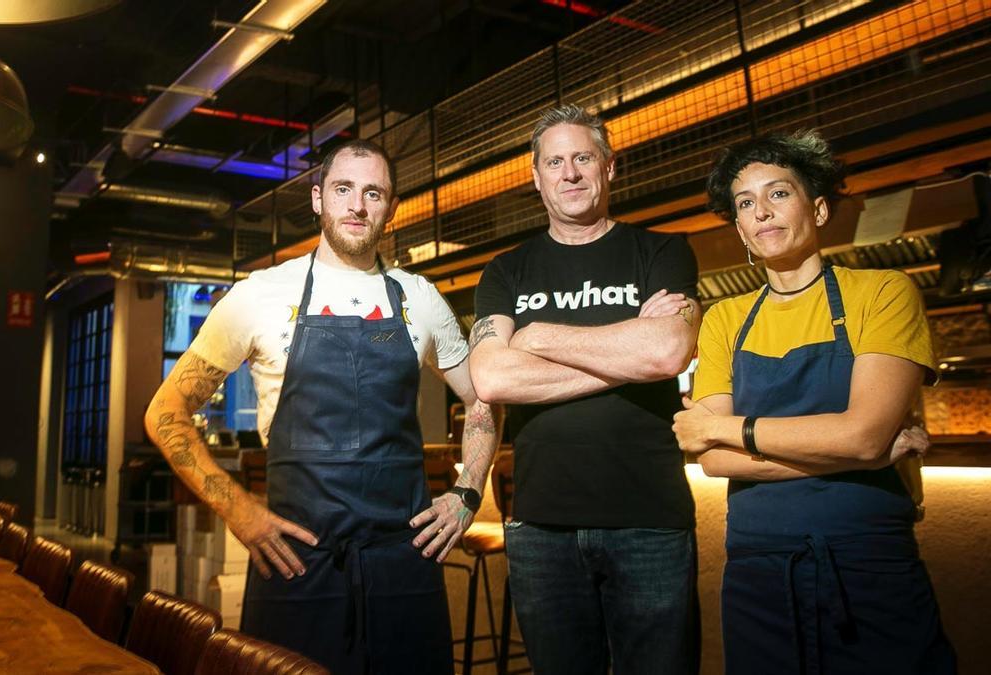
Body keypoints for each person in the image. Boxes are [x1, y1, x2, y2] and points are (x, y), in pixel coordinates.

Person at [144, 138, 501, 675]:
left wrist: (467, 492)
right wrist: (239, 512)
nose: (358, 205)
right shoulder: (259, 295)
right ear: (317, 199)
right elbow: (165, 413)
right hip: (295, 563)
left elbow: (484, 398)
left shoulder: (419, 297)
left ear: (391, 207)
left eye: (373, 192)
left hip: (404, 563)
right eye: (343, 189)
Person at [673, 129, 956, 673]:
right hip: (757, 567)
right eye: (746, 204)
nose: (762, 212)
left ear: (819, 209)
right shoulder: (726, 320)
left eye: (779, 193)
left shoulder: (883, 293)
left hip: (868, 560)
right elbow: (712, 460)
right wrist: (861, 455)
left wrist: (730, 428)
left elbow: (862, 435)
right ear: (739, 229)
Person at [469, 104, 702, 674]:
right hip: (541, 527)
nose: (569, 173)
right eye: (555, 161)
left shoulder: (663, 251)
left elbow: (669, 352)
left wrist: (539, 335)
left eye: (582, 157)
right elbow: (492, 377)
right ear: (536, 175)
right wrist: (630, 350)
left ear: (609, 167)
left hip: (650, 519)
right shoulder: (506, 270)